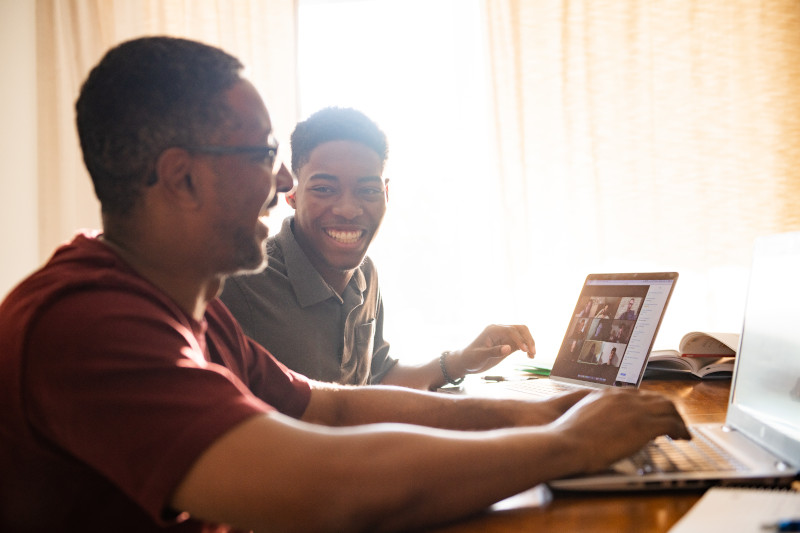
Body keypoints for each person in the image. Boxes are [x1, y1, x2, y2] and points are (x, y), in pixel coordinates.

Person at [0, 36, 689, 533]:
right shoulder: (85, 325)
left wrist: (537, 415)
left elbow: (334, 409)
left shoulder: (192, 309)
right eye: (265, 154)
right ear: (183, 177)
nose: (282, 183)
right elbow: (330, 484)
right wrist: (569, 446)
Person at [220, 107, 534, 389]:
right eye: (325, 189)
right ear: (292, 194)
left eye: (367, 190)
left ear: (386, 193)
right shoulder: (240, 281)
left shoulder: (364, 273)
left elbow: (380, 377)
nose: (348, 208)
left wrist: (462, 360)